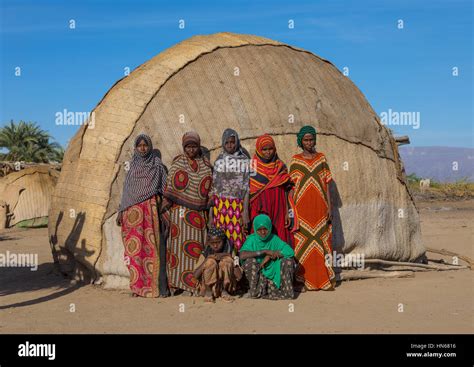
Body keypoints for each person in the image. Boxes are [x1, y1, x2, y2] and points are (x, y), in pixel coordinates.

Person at [117, 133, 168, 298]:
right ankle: (136, 287)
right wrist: (120, 211)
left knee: (150, 249)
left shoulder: (157, 165)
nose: (143, 148)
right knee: (133, 252)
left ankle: (151, 288)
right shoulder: (131, 167)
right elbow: (126, 191)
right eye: (140, 145)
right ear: (136, 148)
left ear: (150, 146)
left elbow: (164, 188)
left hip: (149, 210)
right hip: (131, 213)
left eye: (145, 145)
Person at [162, 131, 213, 295]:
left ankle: (194, 285)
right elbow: (169, 189)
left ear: (198, 147)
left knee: (196, 251)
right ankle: (177, 285)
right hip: (179, 217)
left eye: (194, 146)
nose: (191, 150)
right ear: (184, 147)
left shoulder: (206, 166)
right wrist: (164, 211)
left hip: (198, 218)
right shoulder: (177, 164)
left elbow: (210, 192)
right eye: (188, 147)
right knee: (178, 252)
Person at [289, 125, 336, 291]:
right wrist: (292, 210)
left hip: (319, 207)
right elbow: (292, 188)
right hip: (302, 210)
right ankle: (304, 280)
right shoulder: (295, 160)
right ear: (301, 141)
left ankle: (323, 279)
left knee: (321, 242)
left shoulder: (322, 159)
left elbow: (327, 185)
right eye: (306, 140)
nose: (309, 142)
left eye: (311, 139)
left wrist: (329, 207)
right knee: (302, 244)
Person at [209, 128, 250, 253]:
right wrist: (211, 215)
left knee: (238, 240)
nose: (230, 145)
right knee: (221, 240)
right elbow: (214, 190)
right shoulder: (219, 161)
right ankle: (223, 270)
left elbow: (247, 188)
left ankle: (237, 270)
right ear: (223, 143)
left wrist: (245, 212)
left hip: (237, 206)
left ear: (237, 142)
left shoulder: (245, 161)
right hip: (220, 207)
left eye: (232, 142)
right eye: (227, 143)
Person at [249, 134, 294, 246]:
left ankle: (279, 261)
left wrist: (288, 212)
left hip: (279, 208)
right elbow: (248, 192)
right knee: (261, 235)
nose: (268, 152)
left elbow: (287, 190)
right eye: (264, 149)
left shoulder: (280, 166)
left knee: (279, 236)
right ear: (259, 150)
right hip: (259, 208)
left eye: (270, 149)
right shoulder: (252, 167)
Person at [240, 214, 295, 300]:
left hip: (272, 276)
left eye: (265, 229)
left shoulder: (274, 239)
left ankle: (286, 292)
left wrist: (270, 256)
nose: (263, 232)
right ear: (255, 229)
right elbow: (242, 255)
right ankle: (256, 292)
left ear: (269, 228)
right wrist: (264, 251)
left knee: (288, 261)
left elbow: (290, 252)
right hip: (258, 276)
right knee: (249, 262)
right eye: (259, 230)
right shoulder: (252, 239)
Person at [193, 227, 240, 303]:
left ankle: (224, 291)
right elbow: (195, 275)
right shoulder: (206, 252)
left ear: (223, 241)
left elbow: (239, 275)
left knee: (227, 261)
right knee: (210, 262)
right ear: (209, 243)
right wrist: (206, 259)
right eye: (212, 243)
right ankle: (209, 292)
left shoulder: (230, 250)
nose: (215, 246)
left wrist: (229, 256)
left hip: (225, 287)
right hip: (208, 289)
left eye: (218, 242)